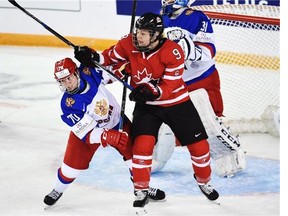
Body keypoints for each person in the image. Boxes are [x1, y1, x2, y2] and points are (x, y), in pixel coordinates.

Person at [74, 12, 219, 212]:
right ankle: (141, 190)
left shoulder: (173, 51)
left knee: (200, 147)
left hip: (177, 103)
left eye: (143, 33)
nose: (138, 36)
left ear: (156, 36)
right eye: (137, 31)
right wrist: (91, 56)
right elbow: (108, 58)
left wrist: (152, 91)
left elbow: (170, 86)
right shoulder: (128, 43)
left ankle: (204, 181)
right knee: (141, 147)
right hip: (147, 107)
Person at [43, 57, 165, 207]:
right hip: (87, 134)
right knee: (70, 169)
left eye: (69, 78)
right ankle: (57, 189)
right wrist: (106, 135)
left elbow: (110, 73)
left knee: (136, 157)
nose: (67, 84)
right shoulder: (68, 105)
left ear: (76, 73)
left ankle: (142, 189)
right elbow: (87, 133)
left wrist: (122, 70)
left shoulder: (88, 71)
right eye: (62, 81)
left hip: (116, 122)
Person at [154, 0, 246, 177]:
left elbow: (208, 51)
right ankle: (156, 159)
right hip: (174, 83)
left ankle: (230, 158)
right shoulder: (160, 19)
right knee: (164, 125)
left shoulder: (196, 18)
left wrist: (189, 51)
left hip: (202, 80)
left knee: (209, 126)